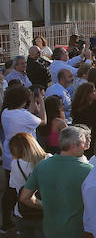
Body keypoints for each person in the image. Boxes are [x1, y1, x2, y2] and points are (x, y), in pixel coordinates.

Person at [20, 126, 92, 238]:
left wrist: (44, 205)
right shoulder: (88, 170)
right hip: (78, 231)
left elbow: (24, 197)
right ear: (73, 146)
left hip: (50, 231)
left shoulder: (42, 166)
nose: (84, 147)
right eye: (83, 143)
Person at [2, 85, 46, 229]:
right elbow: (42, 121)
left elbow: (31, 113)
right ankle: (23, 214)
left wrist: (33, 100)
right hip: (26, 156)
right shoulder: (22, 115)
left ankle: (7, 219)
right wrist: (41, 101)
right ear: (22, 100)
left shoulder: (6, 112)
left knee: (11, 189)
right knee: (28, 188)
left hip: (10, 156)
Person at [8, 132, 48, 238]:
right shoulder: (48, 159)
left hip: (22, 213)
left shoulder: (15, 164)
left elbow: (13, 185)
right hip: (44, 212)